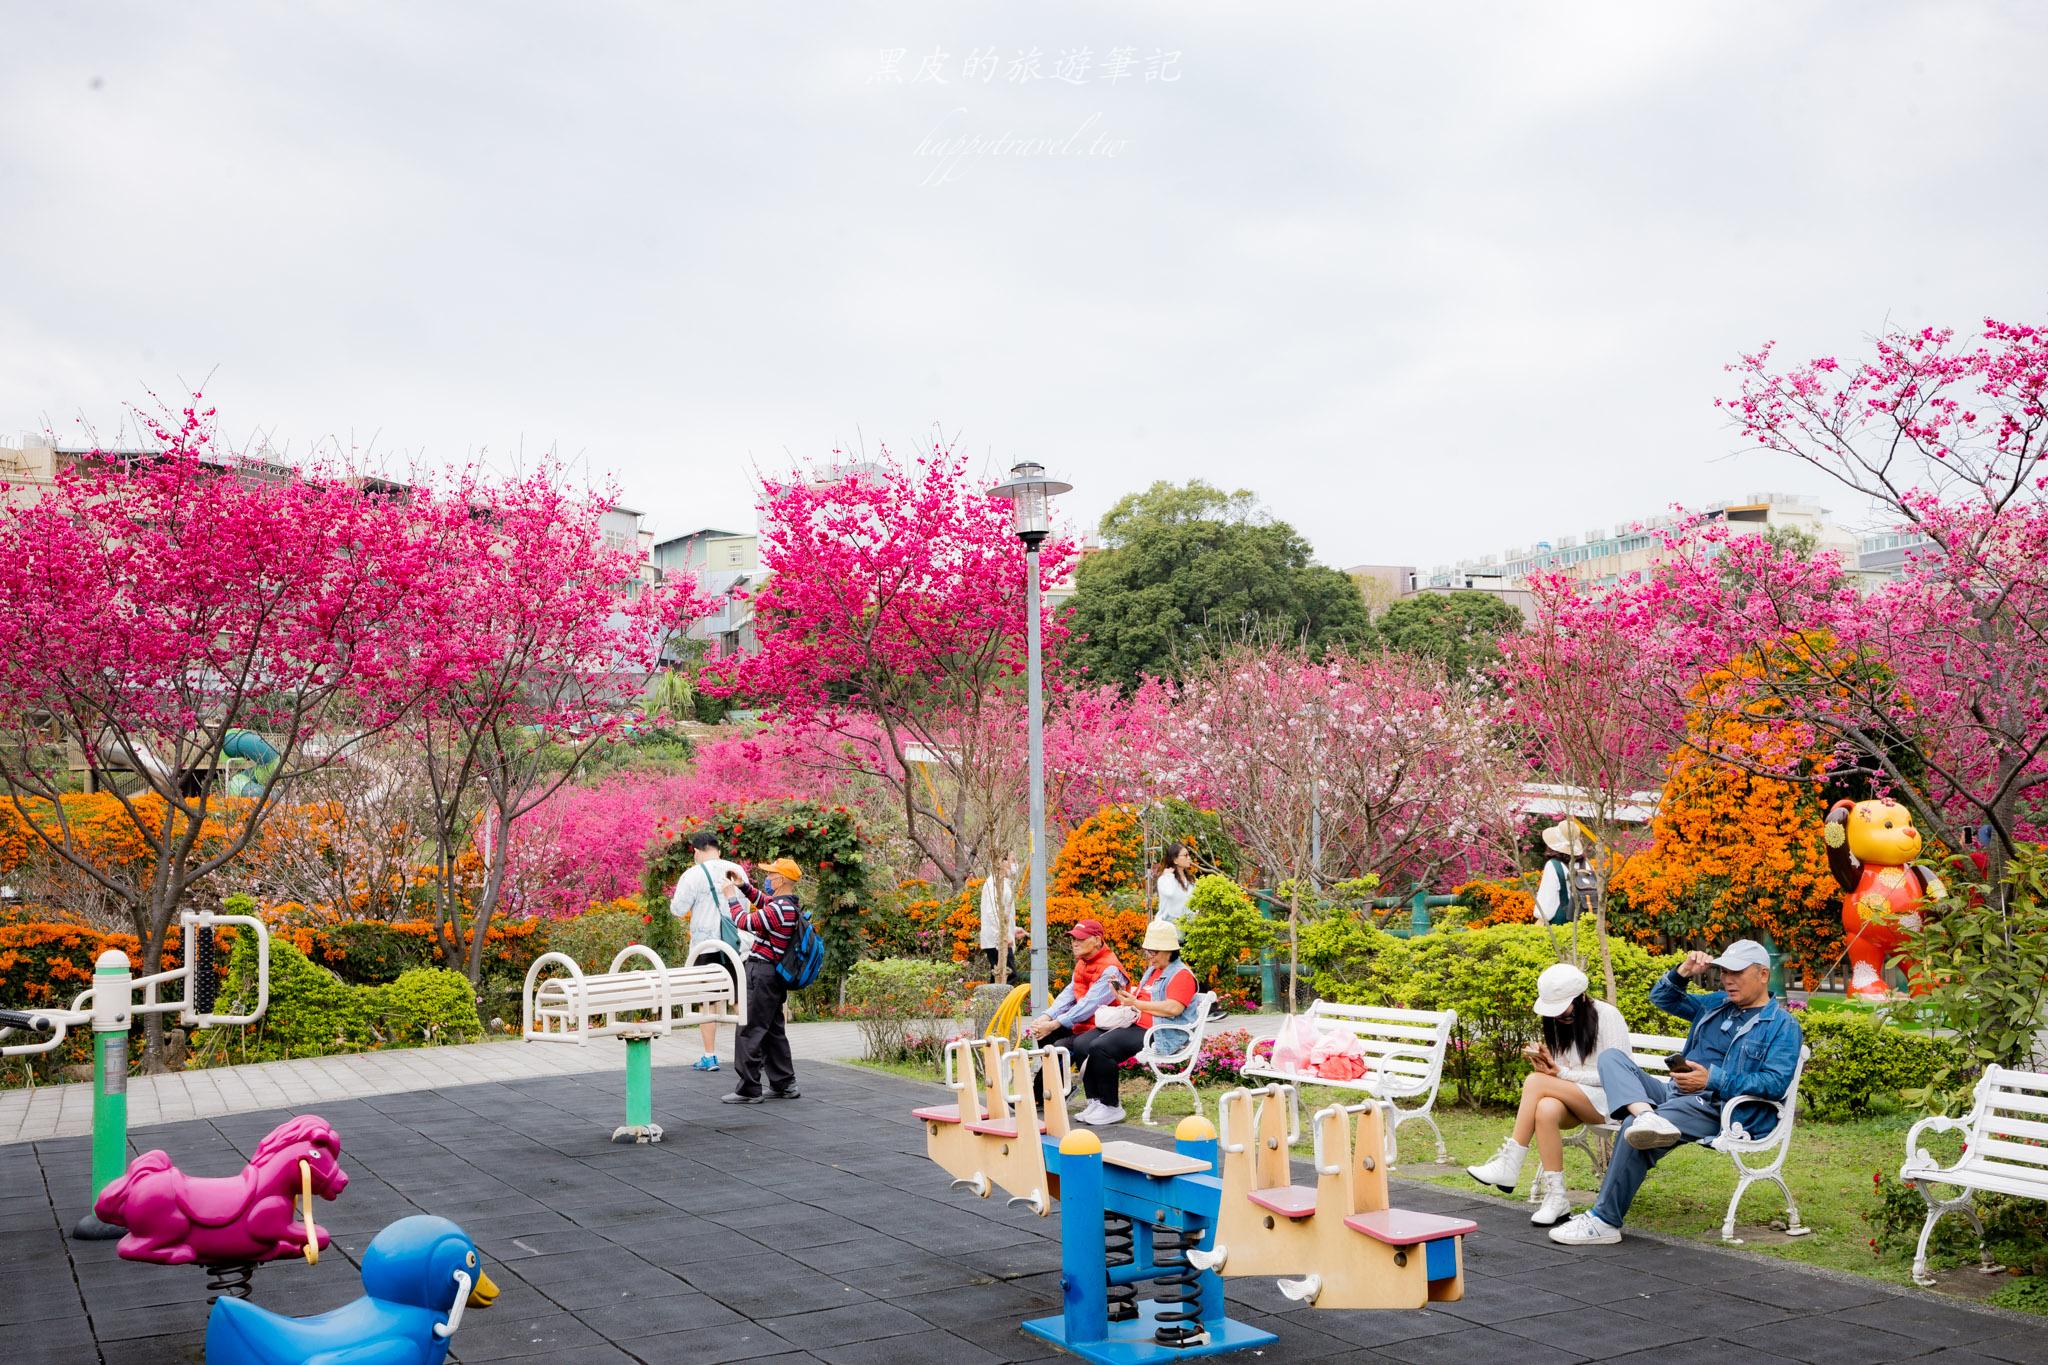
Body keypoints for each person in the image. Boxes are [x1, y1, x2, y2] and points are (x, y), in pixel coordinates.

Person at [1549, 939, 1805, 1246]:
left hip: (1717, 1106)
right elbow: (1663, 998)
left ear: (1763, 975)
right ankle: (1647, 1116)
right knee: (1611, 1059)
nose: (1727, 979)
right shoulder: (1716, 1005)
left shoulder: (1781, 1026)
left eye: (1736, 972)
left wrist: (1712, 1080)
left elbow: (1775, 1083)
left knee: (1633, 1129)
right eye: (1723, 971)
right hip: (1675, 1092)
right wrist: (1683, 972)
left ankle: (1604, 1220)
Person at [1465, 963, 1629, 1225]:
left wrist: (1560, 1075)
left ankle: (1511, 1163)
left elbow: (1619, 1076)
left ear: (1581, 998)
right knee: (1545, 1108)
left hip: (1609, 1101)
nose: (1559, 1016)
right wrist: (1551, 1066)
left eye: (1564, 1008)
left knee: (1535, 1082)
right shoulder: (1557, 1022)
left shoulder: (1607, 1015)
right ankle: (1557, 1197)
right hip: (1576, 1098)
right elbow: (1563, 1071)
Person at [1051, 920, 1201, 1127]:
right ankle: (1095, 1101)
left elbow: (1173, 1008)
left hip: (1158, 1030)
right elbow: (1142, 997)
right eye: (1148, 952)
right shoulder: (1153, 971)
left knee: (1101, 1047)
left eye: (1154, 952)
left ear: (1169, 951)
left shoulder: (1181, 975)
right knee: (1082, 1043)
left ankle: (1111, 1106)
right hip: (1135, 1021)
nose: (1150, 957)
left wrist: (1135, 1003)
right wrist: (1125, 997)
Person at [722, 856, 806, 1105]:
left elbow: (743, 922)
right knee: (772, 1030)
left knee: (749, 1029)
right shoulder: (788, 905)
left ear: (780, 879)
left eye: (771, 875)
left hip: (762, 973)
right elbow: (763, 901)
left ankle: (749, 1088)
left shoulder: (779, 909)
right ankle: (784, 1083)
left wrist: (730, 896)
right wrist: (742, 886)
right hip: (774, 975)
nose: (768, 879)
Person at [667, 830, 750, 1072]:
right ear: (717, 848)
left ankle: (710, 1056)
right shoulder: (737, 870)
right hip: (737, 944)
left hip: (707, 947)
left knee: (707, 1002)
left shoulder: (693, 875)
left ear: (697, 850)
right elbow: (745, 902)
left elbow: (678, 909)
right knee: (739, 1000)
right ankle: (751, 1053)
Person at [1022, 920, 1128, 1104]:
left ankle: (1044, 1096)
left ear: (1096, 940)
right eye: (1072, 939)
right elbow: (1069, 993)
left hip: (1103, 1025)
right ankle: (1053, 1091)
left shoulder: (1111, 968)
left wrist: (1055, 1023)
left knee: (1059, 1047)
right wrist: (1046, 1018)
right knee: (1046, 1037)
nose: (1074, 943)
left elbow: (1089, 1004)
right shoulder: (1083, 963)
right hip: (1085, 1023)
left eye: (1080, 939)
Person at [979, 852, 1021, 979]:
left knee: (999, 978)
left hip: (1000, 938)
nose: (1015, 864)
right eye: (1012, 860)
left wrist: (1013, 930)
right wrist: (1004, 935)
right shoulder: (994, 884)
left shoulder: (1003, 883)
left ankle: (990, 999)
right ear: (1002, 862)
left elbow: (1002, 913)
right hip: (997, 941)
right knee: (1008, 976)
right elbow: (992, 913)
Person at [1153, 842, 1197, 924]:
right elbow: (1170, 893)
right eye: (1185, 855)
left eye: (1189, 855)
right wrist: (1169, 876)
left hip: (1186, 926)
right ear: (1175, 860)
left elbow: (1192, 902)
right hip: (1168, 927)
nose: (1189, 858)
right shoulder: (1165, 879)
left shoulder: (1189, 880)